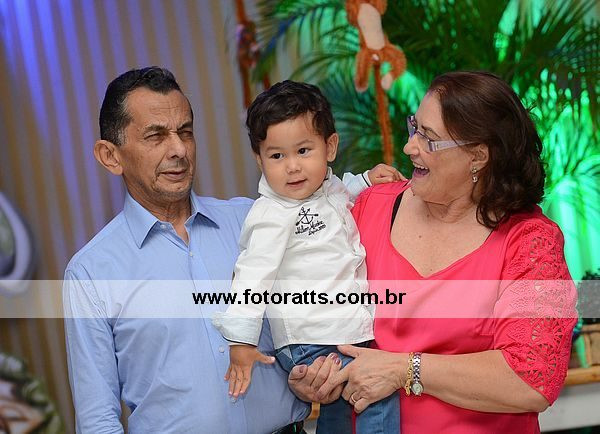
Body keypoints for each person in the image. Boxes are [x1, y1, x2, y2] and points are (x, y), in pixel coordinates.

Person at [287, 71, 578, 433]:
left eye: (430, 139)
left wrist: (404, 368)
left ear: (478, 156)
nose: (410, 147)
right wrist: (312, 372)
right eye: (415, 128)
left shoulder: (531, 242)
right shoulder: (368, 208)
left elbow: (530, 379)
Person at [62, 67, 308, 433]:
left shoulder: (253, 221)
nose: (179, 150)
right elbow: (98, 419)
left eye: (186, 132)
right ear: (111, 156)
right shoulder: (91, 273)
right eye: (156, 136)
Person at [212, 80, 403, 434]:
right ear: (259, 158)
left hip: (337, 329)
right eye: (277, 156)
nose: (292, 167)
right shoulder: (272, 213)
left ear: (329, 147)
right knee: (375, 387)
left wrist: (366, 180)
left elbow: (342, 192)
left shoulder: (326, 187)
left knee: (339, 408)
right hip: (311, 336)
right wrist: (241, 341)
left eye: (303, 151)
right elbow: (252, 276)